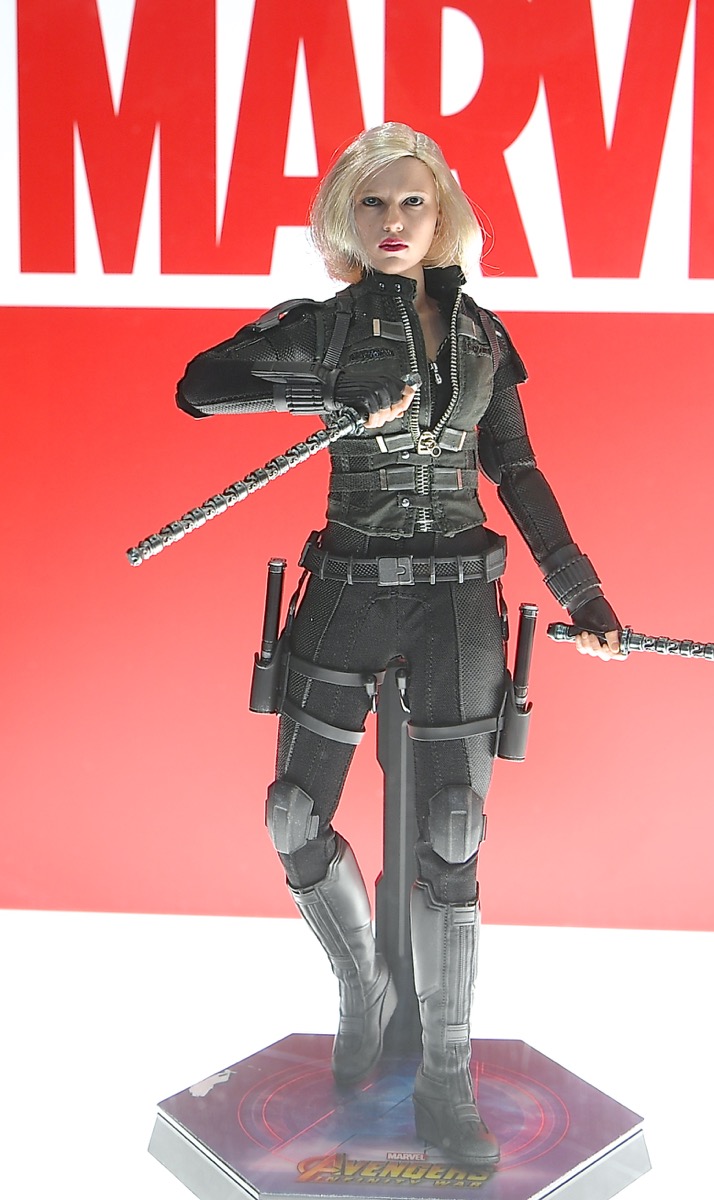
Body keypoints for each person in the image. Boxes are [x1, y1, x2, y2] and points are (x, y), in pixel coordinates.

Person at [176, 123, 624, 1168]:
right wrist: (325, 396)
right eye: (371, 203)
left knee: (453, 838)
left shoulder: (483, 336)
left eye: (411, 202)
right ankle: (362, 989)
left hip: (458, 601)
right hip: (348, 588)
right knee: (293, 816)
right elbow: (200, 385)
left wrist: (583, 590)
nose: (392, 221)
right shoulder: (326, 327)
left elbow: (517, 470)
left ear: (442, 214)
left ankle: (446, 1073)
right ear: (346, 216)